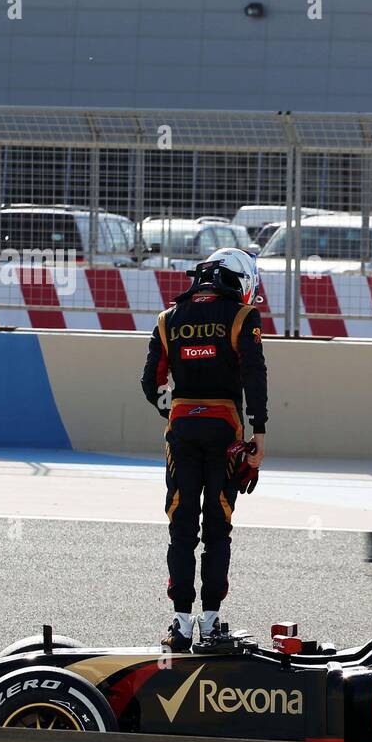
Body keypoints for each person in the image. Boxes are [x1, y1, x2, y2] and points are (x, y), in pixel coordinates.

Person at [141, 247, 267, 653]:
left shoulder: (167, 319)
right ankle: (211, 624)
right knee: (218, 527)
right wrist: (258, 436)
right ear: (238, 279)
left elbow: (150, 382)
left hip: (181, 430)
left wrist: (179, 411)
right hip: (226, 434)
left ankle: (179, 625)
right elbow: (254, 376)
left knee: (181, 525)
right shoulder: (242, 317)